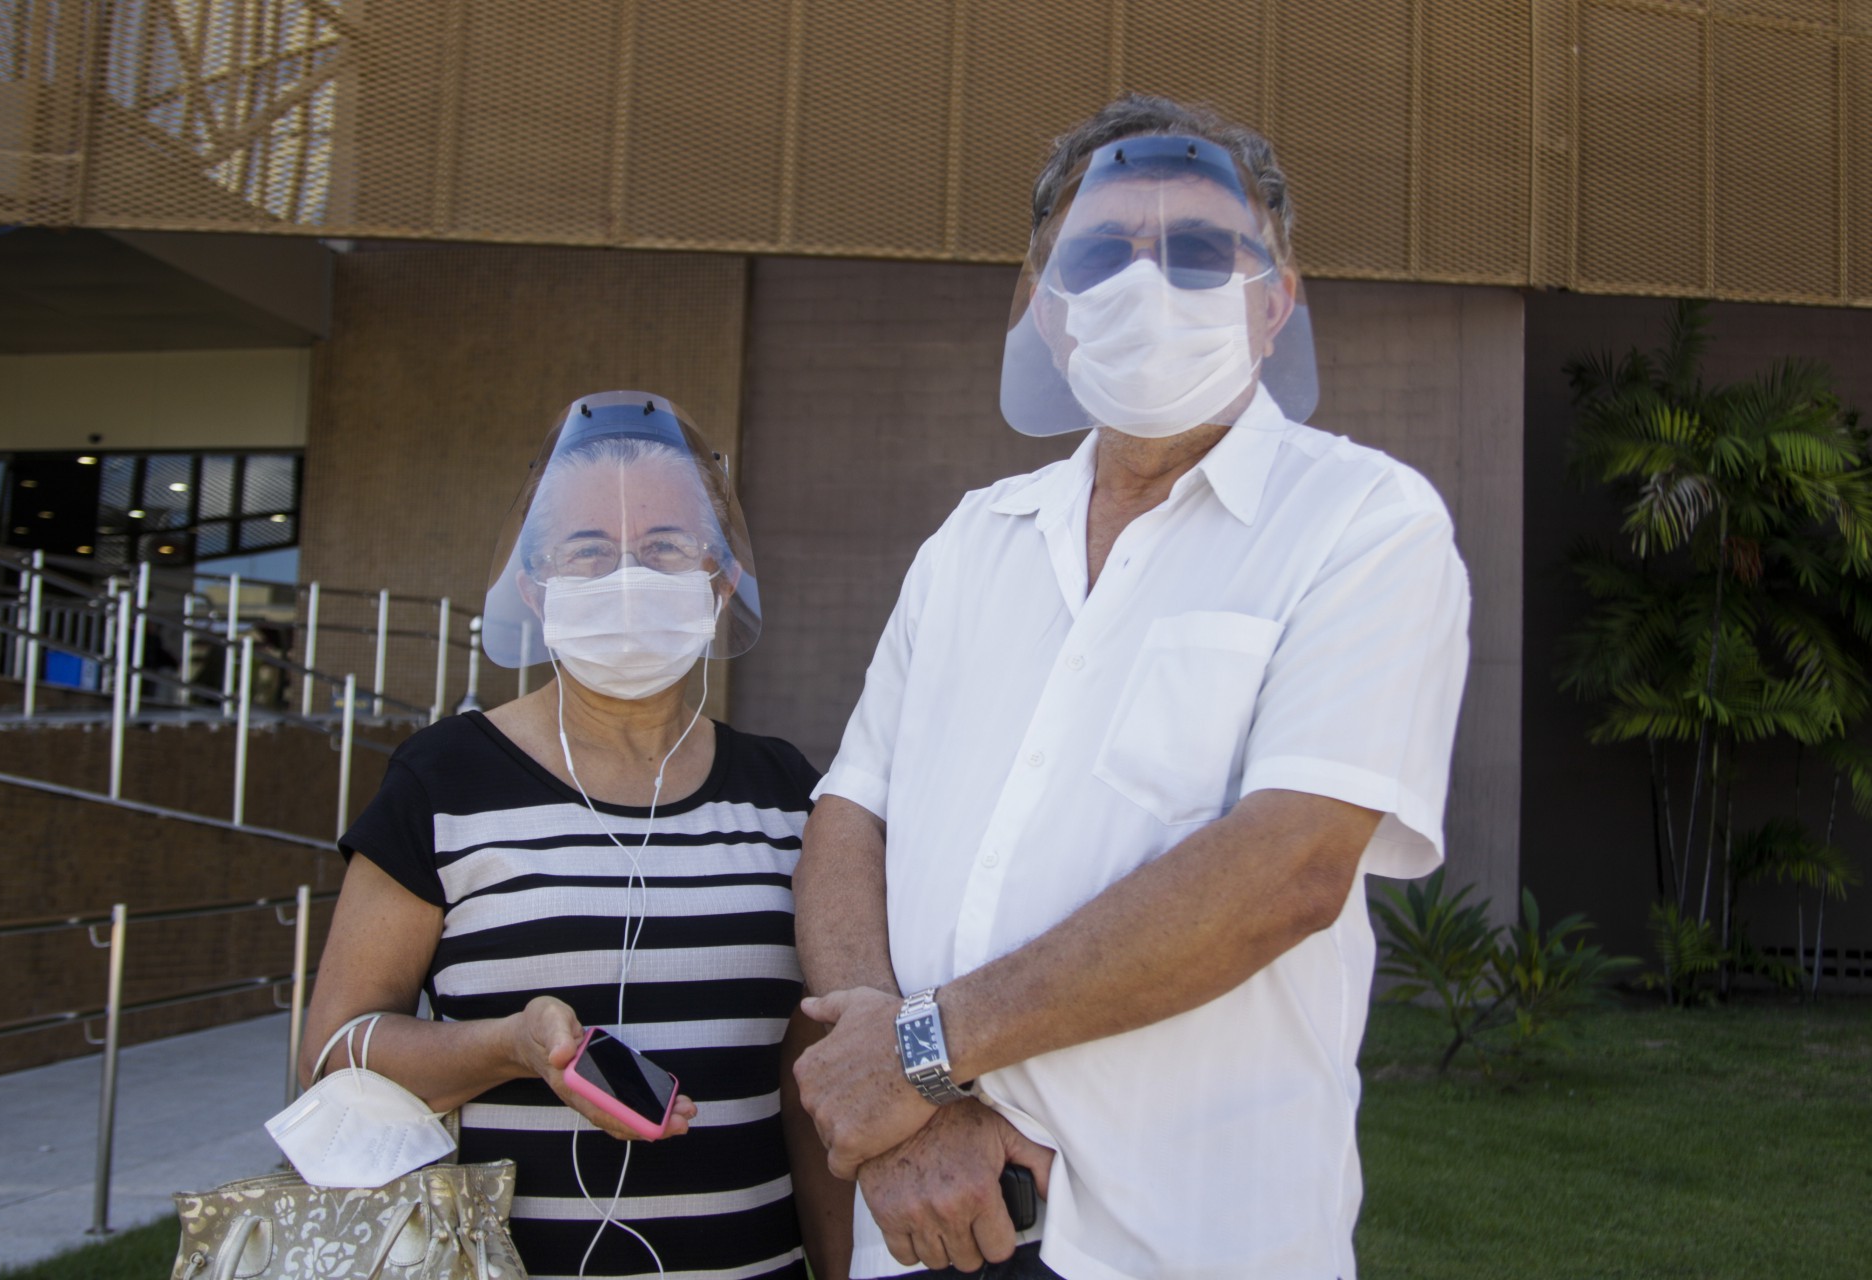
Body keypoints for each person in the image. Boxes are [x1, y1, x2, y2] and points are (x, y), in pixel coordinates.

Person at [792, 94, 1471, 1280]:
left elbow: (1291, 867)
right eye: (1105, 252)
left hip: (1191, 1240)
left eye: (1204, 252)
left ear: (1278, 303)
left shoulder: (1366, 524)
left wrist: (913, 1053)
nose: (1150, 283)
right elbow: (854, 812)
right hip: (925, 1220)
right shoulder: (971, 541)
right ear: (1051, 314)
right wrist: (886, 1089)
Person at [303, 392, 852, 1280]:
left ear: (718, 581)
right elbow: (331, 1058)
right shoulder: (444, 779)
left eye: (666, 546)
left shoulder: (788, 793)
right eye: (588, 551)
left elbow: (812, 1085)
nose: (627, 577)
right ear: (534, 585)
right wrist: (506, 1047)